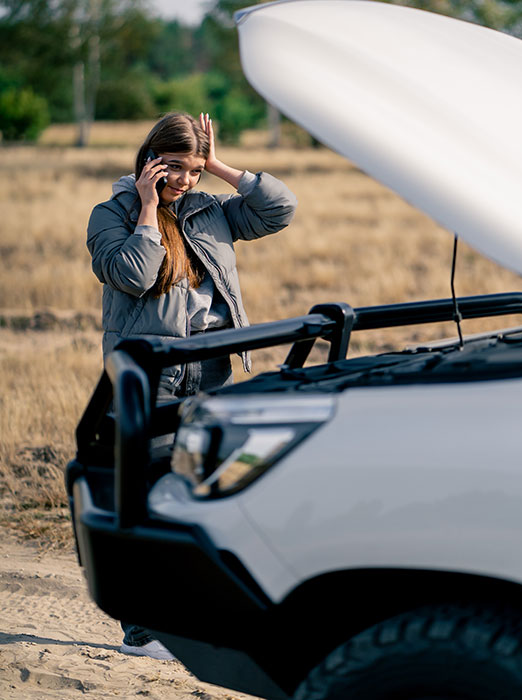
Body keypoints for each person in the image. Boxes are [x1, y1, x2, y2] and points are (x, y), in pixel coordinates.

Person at [86, 111, 297, 660]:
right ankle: (142, 628)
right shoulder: (110, 214)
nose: (184, 181)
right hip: (151, 376)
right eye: (173, 167)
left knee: (205, 492)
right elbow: (132, 274)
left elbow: (280, 209)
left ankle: (197, 615)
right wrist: (149, 209)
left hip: (212, 369)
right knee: (152, 494)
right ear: (149, 158)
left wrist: (218, 166)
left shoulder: (210, 209)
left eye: (192, 170)